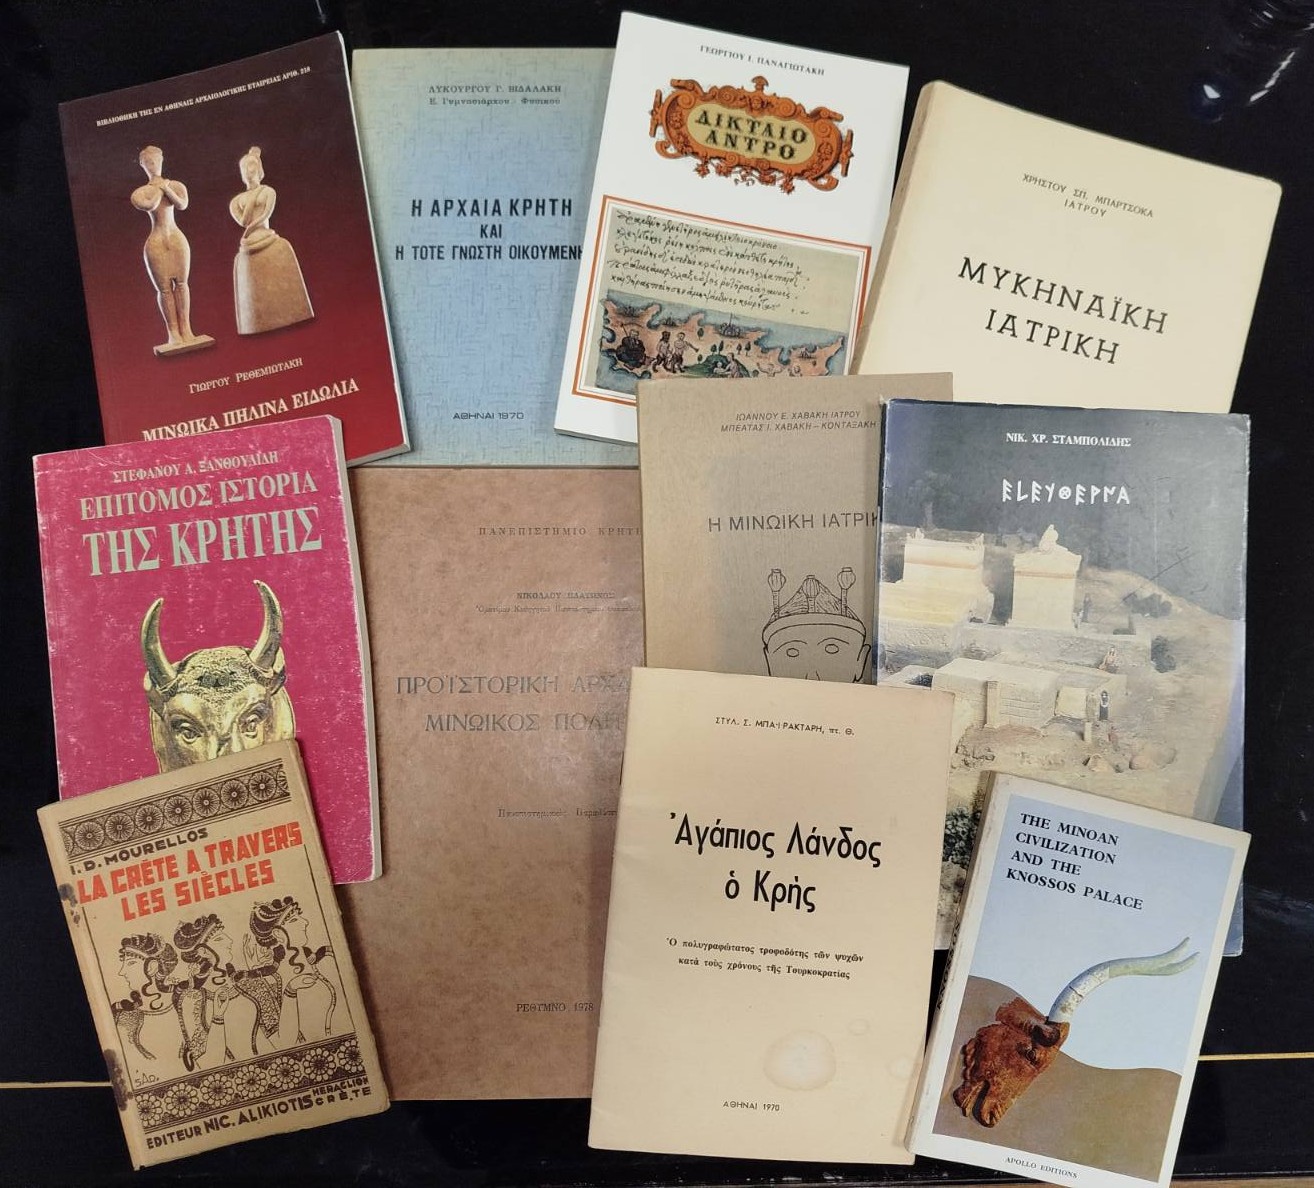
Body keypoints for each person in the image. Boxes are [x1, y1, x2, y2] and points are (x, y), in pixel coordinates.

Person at [130, 145, 214, 355]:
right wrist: (160, 188)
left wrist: (166, 188)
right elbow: (150, 205)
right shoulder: (141, 192)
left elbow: (182, 204)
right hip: (156, 241)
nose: (153, 165)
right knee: (164, 289)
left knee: (182, 284)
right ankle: (173, 333)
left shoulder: (176, 185)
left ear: (162, 160)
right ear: (142, 165)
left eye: (155, 161)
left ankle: (187, 329)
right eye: (148, 162)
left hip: (176, 238)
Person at [229, 146, 314, 334]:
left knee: (282, 251)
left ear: (260, 169)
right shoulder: (236, 201)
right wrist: (252, 197)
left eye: (253, 166)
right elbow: (243, 221)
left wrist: (249, 228)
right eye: (245, 168)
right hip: (248, 245)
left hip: (267, 238)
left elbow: (265, 214)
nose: (249, 171)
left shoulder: (268, 191)